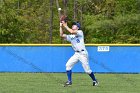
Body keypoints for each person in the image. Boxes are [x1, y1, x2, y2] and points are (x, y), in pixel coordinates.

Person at [60, 21, 98, 87]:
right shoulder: (71, 37)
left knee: (87, 71)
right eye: (73, 25)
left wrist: (65, 26)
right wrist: (61, 26)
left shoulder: (80, 32)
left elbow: (71, 31)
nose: (73, 26)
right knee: (68, 65)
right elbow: (61, 35)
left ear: (77, 27)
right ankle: (69, 81)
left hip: (83, 54)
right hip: (76, 54)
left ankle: (95, 80)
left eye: (74, 25)